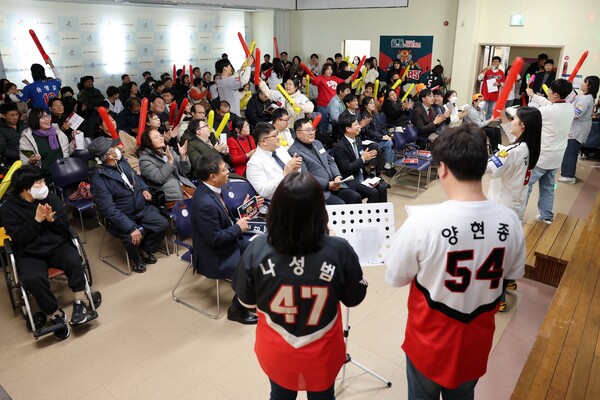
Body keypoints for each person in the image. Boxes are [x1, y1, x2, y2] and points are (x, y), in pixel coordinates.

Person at [384, 124, 525, 400]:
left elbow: (395, 277)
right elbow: (512, 274)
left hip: (429, 340)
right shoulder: (510, 221)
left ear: (443, 169)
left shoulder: (422, 223)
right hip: (476, 339)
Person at [232, 172, 368, 400]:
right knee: (323, 396)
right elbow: (354, 298)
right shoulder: (338, 249)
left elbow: (246, 302)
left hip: (277, 349)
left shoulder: (256, 249)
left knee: (280, 395)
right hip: (322, 350)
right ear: (319, 210)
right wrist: (334, 243)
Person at [1, 166, 99, 340]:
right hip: (29, 252)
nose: (44, 185)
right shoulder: (8, 209)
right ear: (26, 188)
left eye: (43, 181)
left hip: (56, 245)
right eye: (39, 182)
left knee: (73, 259)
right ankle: (54, 313)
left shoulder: (50, 198)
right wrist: (37, 221)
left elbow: (64, 228)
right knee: (32, 279)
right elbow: (19, 239)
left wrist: (52, 220)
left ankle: (79, 302)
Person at [191, 152, 259, 325]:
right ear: (213, 176)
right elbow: (214, 239)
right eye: (224, 169)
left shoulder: (212, 190)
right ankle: (236, 309)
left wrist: (244, 209)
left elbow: (223, 218)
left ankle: (252, 294)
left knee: (260, 250)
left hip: (229, 241)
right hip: (214, 255)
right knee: (251, 269)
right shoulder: (204, 203)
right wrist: (238, 228)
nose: (228, 171)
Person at [89, 137, 169, 273]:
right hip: (123, 214)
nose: (119, 148)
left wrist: (144, 189)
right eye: (114, 148)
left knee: (162, 224)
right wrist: (131, 228)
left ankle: (145, 249)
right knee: (130, 237)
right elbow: (108, 210)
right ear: (109, 155)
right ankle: (135, 257)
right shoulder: (98, 180)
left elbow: (136, 177)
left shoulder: (121, 162)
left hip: (141, 206)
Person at [526, 79, 575, 223]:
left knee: (525, 186)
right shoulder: (569, 108)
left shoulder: (546, 112)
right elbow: (550, 104)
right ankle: (546, 216)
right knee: (548, 187)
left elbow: (531, 115)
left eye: (550, 91)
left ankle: (517, 215)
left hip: (541, 157)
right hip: (556, 157)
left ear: (555, 95)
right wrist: (534, 96)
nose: (548, 91)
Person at [288, 118, 362, 205]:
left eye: (313, 129)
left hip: (335, 184)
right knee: (340, 204)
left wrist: (337, 176)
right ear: (298, 134)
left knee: (355, 197)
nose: (312, 133)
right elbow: (305, 177)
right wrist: (327, 185)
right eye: (308, 130)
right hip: (319, 190)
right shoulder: (294, 151)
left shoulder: (317, 143)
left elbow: (330, 161)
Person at [488, 107, 542, 220]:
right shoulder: (529, 145)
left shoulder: (511, 152)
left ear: (523, 124)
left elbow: (485, 167)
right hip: (516, 205)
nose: (511, 121)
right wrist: (503, 117)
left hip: (502, 208)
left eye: (514, 118)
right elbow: (514, 138)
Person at [334, 114, 388, 203]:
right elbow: (347, 168)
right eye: (355, 124)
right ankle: (370, 216)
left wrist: (367, 159)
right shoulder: (340, 147)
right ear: (348, 129)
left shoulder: (358, 140)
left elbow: (361, 159)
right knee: (373, 192)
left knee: (382, 188)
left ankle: (381, 215)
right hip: (351, 179)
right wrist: (363, 159)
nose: (359, 126)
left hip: (362, 175)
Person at [138, 128, 195, 209]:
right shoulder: (144, 160)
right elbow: (159, 179)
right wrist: (170, 161)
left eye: (160, 136)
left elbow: (185, 171)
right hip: (171, 195)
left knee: (206, 202)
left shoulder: (169, 151)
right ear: (149, 142)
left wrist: (183, 157)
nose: (161, 138)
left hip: (186, 186)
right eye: (156, 137)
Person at [559, 75, 599, 184]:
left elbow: (577, 114)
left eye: (585, 82)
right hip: (577, 129)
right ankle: (567, 172)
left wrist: (563, 112)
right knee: (570, 151)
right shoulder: (586, 97)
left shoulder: (586, 99)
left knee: (570, 152)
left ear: (590, 86)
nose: (582, 83)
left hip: (577, 130)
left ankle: (568, 176)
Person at [246, 122, 302, 200]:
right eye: (274, 135)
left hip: (296, 192)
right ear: (264, 141)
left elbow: (293, 171)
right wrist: (284, 174)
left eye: (277, 134)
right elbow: (263, 190)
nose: (278, 138)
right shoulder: (254, 163)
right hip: (279, 202)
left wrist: (296, 168)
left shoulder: (280, 149)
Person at [19, 108, 72, 182]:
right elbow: (24, 163)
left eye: (47, 116)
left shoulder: (57, 132)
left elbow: (66, 151)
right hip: (46, 177)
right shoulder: (27, 138)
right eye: (42, 117)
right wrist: (31, 161)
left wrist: (74, 143)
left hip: (66, 170)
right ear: (34, 120)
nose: (47, 119)